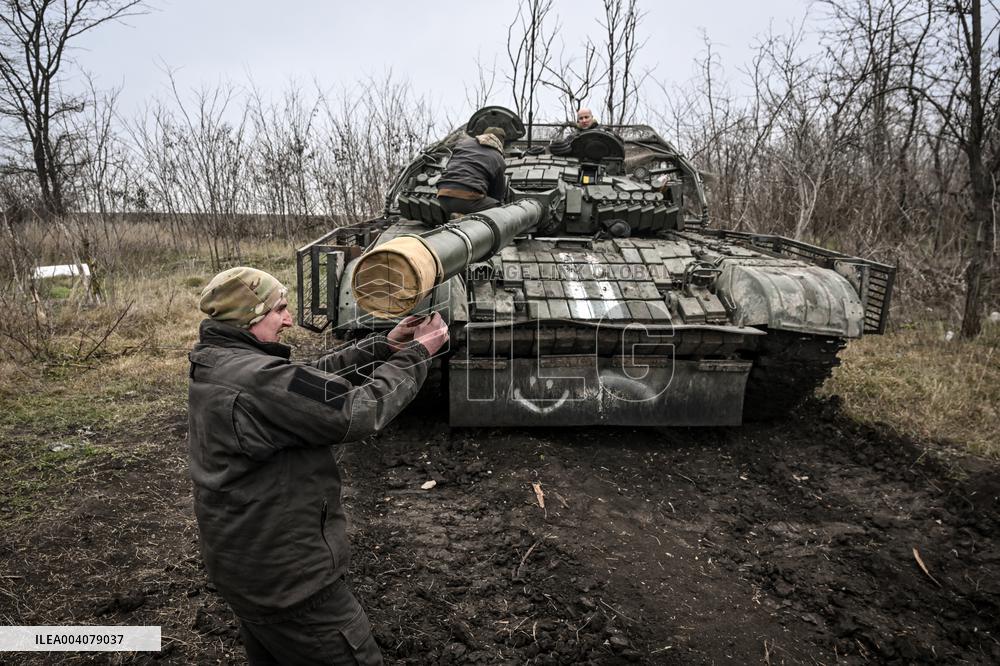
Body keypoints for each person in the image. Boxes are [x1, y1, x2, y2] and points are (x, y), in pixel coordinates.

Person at [188, 266, 449, 665]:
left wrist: (383, 346)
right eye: (280, 309)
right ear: (251, 318)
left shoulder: (221, 362)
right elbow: (354, 412)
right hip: (292, 584)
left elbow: (302, 384)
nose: (290, 319)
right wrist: (418, 354)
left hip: (246, 567)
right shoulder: (257, 378)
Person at [435, 126, 508, 217]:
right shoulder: (498, 158)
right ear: (502, 142)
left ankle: (459, 216)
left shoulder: (463, 144)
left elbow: (449, 166)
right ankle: (464, 217)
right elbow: (497, 194)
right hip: (467, 200)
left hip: (442, 196)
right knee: (501, 211)